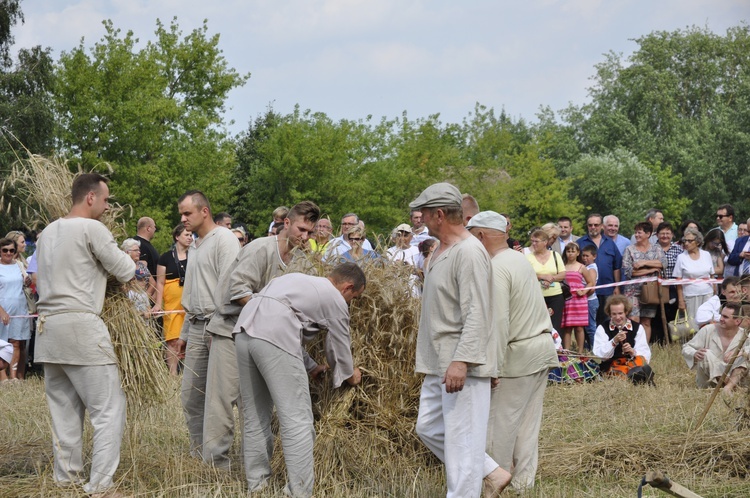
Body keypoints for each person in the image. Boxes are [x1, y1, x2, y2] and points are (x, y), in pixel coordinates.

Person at [34, 173, 136, 495]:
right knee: (108, 409)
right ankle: (101, 486)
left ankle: (66, 480)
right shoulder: (92, 228)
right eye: (105, 200)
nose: (107, 207)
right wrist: (125, 258)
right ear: (90, 197)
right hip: (81, 324)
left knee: (63, 411)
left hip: (47, 328)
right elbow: (126, 270)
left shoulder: (46, 233)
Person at [203, 201, 319, 470]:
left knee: (256, 408)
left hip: (266, 338)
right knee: (222, 402)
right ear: (286, 223)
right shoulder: (260, 249)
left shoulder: (303, 261)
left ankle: (254, 469)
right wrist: (273, 310)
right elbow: (239, 290)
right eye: (301, 229)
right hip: (231, 330)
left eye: (310, 233)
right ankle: (214, 467)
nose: (305, 237)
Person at [233, 263, 365, 497]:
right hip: (271, 334)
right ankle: (299, 491)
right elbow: (339, 345)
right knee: (298, 420)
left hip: (244, 331)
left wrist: (312, 366)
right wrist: (350, 375)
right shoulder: (335, 298)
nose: (349, 304)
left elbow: (276, 321)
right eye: (353, 298)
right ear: (348, 287)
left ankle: (257, 485)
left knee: (254, 417)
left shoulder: (298, 280)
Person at [409, 183, 506, 497]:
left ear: (439, 214)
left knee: (463, 448)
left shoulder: (469, 252)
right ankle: (492, 472)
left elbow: (478, 311)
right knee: (429, 428)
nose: (419, 217)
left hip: (459, 362)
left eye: (424, 212)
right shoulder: (441, 249)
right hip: (439, 360)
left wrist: (462, 361)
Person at [466, 211, 557, 492]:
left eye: (471, 235)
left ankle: (495, 485)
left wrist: (491, 366)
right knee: (528, 424)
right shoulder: (518, 258)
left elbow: (499, 322)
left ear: (481, 235)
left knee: (499, 427)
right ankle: (523, 484)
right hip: (541, 346)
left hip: (518, 353)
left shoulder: (496, 267)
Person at [177, 190, 241, 461]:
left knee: (219, 400)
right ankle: (199, 454)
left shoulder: (224, 240)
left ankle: (218, 462)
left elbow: (231, 288)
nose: (183, 218)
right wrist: (183, 332)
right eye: (181, 213)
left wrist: (219, 328)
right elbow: (193, 291)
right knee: (191, 396)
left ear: (205, 211)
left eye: (187, 213)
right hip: (195, 325)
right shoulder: (194, 244)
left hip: (218, 326)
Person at [152, 224, 192, 375]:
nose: (189, 238)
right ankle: (173, 373)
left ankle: (187, 374)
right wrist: (157, 304)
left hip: (188, 302)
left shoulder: (194, 255)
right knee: (173, 338)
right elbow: (160, 283)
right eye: (186, 235)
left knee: (188, 339)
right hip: (172, 304)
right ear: (177, 237)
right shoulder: (166, 257)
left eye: (190, 235)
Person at [682, 302, 746, 389]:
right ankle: (727, 384)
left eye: (725, 317)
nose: (721, 319)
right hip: (709, 383)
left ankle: (728, 387)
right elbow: (686, 347)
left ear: (737, 321)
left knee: (746, 355)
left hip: (735, 379)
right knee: (705, 353)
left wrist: (741, 352)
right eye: (721, 315)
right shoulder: (707, 330)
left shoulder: (745, 335)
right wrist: (694, 353)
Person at [621, 222, 666, 342]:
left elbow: (663, 263)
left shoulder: (657, 248)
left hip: (650, 291)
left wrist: (643, 263)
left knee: (646, 321)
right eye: (635, 232)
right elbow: (629, 272)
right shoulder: (629, 249)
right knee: (633, 320)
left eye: (639, 232)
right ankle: (632, 345)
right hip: (632, 291)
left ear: (648, 234)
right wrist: (652, 269)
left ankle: (644, 349)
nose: (636, 235)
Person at [593, 295, 652, 381]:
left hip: (632, 363)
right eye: (614, 314)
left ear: (626, 312)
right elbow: (600, 354)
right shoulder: (602, 328)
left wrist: (632, 351)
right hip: (612, 364)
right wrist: (614, 341)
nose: (617, 317)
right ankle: (633, 376)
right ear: (609, 313)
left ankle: (637, 374)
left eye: (620, 313)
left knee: (640, 362)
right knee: (618, 372)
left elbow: (645, 353)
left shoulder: (637, 327)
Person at [577, 213, 622, 324]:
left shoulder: (610, 243)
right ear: (587, 226)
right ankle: (590, 342)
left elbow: (616, 267)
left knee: (607, 319)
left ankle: (606, 341)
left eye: (596, 225)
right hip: (588, 291)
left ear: (602, 226)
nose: (593, 227)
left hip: (607, 289)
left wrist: (617, 286)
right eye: (590, 225)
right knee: (589, 322)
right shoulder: (580, 243)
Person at [0, 237, 31, 382]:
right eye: (5, 250)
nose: (8, 253)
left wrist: (28, 280)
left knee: (17, 343)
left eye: (11, 250)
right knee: (1, 343)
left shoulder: (19, 265)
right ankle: (3, 376)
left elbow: (26, 281)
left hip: (20, 309)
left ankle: (14, 377)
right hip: (3, 310)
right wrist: (2, 311)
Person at [526, 229, 567, 333]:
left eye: (536, 241)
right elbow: (525, 275)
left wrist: (551, 278)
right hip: (537, 295)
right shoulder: (528, 257)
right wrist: (541, 276)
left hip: (555, 295)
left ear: (545, 242)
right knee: (537, 324)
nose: (533, 244)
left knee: (555, 324)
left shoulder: (555, 255)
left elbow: (563, 274)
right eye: (532, 241)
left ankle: (556, 347)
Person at [674, 227, 715, 324]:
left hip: (707, 293)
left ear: (697, 242)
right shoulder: (681, 257)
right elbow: (678, 281)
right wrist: (681, 300)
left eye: (689, 241)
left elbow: (712, 275)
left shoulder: (706, 255)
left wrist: (714, 292)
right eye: (685, 241)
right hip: (690, 295)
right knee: (693, 323)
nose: (686, 243)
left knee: (709, 321)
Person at [561, 242, 596, 353]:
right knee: (567, 327)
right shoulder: (562, 266)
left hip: (579, 300)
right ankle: (566, 351)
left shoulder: (582, 267)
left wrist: (584, 291)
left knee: (579, 327)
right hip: (566, 299)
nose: (570, 254)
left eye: (573, 251)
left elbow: (590, 282)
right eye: (568, 251)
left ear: (577, 253)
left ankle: (580, 352)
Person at [580, 245, 599, 350]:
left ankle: (595, 348)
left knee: (591, 327)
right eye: (583, 256)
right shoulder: (586, 267)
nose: (585, 258)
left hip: (590, 300)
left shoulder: (592, 269)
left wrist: (582, 294)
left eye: (587, 256)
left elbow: (591, 287)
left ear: (594, 256)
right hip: (586, 300)